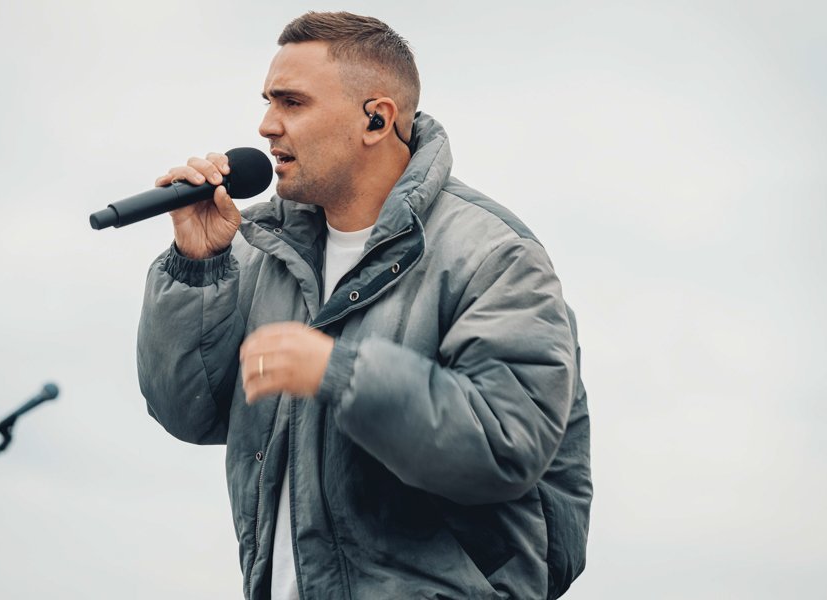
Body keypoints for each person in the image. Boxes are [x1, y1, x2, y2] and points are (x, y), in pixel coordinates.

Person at [138, 11, 591, 600]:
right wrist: (198, 267)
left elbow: (503, 445)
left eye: (292, 102)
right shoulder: (261, 251)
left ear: (376, 118)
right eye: (268, 102)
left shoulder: (494, 255)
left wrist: (341, 373)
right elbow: (188, 414)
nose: (266, 125)